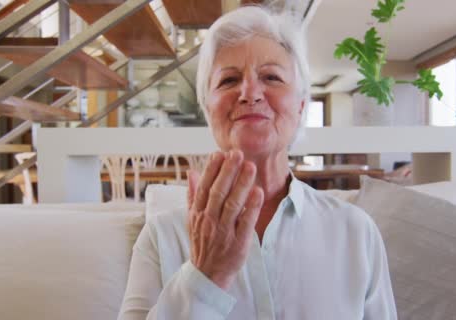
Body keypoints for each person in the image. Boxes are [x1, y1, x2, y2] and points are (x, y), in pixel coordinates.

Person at [118, 5, 397, 320]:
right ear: (209, 110)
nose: (249, 93)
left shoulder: (355, 232)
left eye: (271, 77)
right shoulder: (162, 235)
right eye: (228, 80)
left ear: (301, 107)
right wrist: (204, 278)